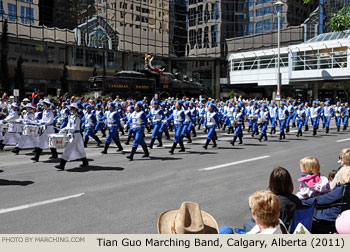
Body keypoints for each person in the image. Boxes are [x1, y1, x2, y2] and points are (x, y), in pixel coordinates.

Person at [302, 166, 350, 234]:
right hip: (342, 213)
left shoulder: (342, 188)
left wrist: (304, 201)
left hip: (331, 216)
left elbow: (323, 200)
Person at [55, 103, 89, 170]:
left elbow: (75, 126)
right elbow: (68, 125)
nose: (70, 109)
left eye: (72, 108)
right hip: (72, 134)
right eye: (70, 108)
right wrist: (63, 129)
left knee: (68, 149)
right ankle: (85, 161)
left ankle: (62, 165)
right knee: (79, 148)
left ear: (75, 109)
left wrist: (68, 129)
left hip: (75, 134)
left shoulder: (77, 117)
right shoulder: (70, 116)